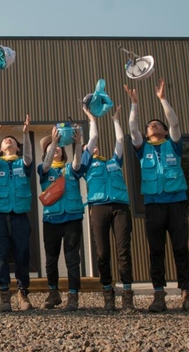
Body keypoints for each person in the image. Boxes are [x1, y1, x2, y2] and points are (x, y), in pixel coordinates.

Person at [124, 78, 189, 313]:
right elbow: (133, 128)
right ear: (147, 134)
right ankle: (159, 295)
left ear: (165, 131)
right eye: (150, 125)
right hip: (154, 205)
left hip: (176, 203)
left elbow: (175, 123)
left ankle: (187, 295)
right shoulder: (142, 148)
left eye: (158, 124)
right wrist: (134, 104)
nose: (154, 125)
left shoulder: (174, 145)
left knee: (181, 248)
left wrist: (163, 99)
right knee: (156, 251)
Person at [81, 104, 134, 311]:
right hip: (99, 208)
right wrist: (92, 119)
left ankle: (127, 294)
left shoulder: (113, 162)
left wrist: (116, 120)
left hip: (120, 207)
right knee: (102, 252)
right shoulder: (86, 164)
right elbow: (93, 137)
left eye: (93, 146)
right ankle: (107, 294)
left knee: (123, 250)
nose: (93, 146)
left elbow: (120, 141)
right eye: (88, 146)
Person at [0, 115, 34, 312]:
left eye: (13, 141)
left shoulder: (23, 164)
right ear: (0, 148)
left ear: (18, 148)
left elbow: (29, 157)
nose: (9, 141)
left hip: (19, 216)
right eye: (5, 140)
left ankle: (23, 292)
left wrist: (25, 134)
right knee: (1, 255)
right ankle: (4, 293)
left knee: (22, 254)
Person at [37, 125, 84, 311]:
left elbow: (78, 162)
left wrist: (78, 143)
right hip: (51, 220)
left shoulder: (70, 169)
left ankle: (73, 295)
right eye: (51, 146)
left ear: (64, 152)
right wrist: (54, 140)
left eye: (58, 146)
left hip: (72, 218)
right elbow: (46, 164)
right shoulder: (44, 170)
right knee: (51, 258)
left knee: (72, 258)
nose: (55, 148)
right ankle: (53, 293)